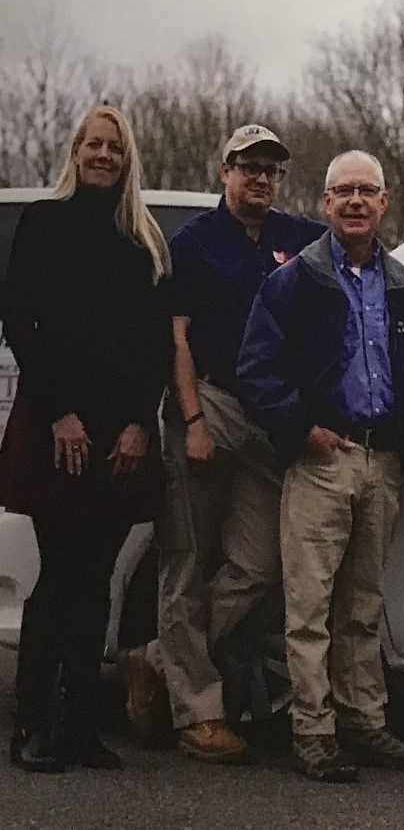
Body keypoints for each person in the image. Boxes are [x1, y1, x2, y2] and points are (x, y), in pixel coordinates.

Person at [237, 150, 404, 782]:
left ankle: (367, 723)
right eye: (343, 192)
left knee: (362, 606)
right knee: (308, 608)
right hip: (319, 460)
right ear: (325, 204)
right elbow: (256, 371)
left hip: (381, 459)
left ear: (384, 204)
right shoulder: (291, 282)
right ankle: (313, 731)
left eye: (368, 191)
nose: (356, 202)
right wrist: (300, 426)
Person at [121, 125, 326, 763]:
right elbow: (175, 339)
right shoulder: (195, 243)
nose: (260, 178)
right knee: (185, 560)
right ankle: (198, 714)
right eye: (248, 167)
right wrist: (191, 421)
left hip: (270, 422)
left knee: (260, 568)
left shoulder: (298, 239)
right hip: (209, 404)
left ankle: (157, 657)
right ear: (225, 171)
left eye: (270, 169)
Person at [0, 105, 172, 772]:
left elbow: (155, 344)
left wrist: (137, 422)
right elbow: (22, 325)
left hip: (120, 435)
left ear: (128, 159)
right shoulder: (44, 223)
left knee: (97, 576)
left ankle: (77, 725)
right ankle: (33, 725)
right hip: (55, 424)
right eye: (93, 144)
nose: (103, 154)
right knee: (62, 574)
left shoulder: (143, 238)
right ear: (75, 151)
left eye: (115, 147)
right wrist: (60, 411)